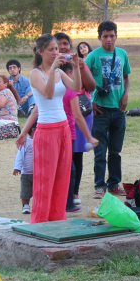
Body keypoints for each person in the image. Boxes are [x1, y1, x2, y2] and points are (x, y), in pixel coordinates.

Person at [16, 33, 82, 224]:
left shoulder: (60, 72)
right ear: (40, 52)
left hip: (63, 128)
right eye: (51, 49)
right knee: (45, 180)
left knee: (62, 178)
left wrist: (76, 68)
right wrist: (53, 69)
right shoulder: (35, 74)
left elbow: (76, 87)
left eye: (57, 49)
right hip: (46, 131)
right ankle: (39, 221)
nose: (56, 52)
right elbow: (47, 94)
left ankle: (56, 219)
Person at [86, 21, 130, 199]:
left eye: (112, 36)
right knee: (99, 149)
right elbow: (82, 79)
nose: (109, 40)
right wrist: (90, 102)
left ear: (116, 36)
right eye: (105, 36)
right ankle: (99, 185)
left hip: (118, 109)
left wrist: (126, 94)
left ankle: (113, 183)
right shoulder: (93, 56)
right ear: (99, 37)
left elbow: (126, 77)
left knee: (115, 150)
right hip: (100, 110)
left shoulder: (122, 54)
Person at [60, 62, 98, 212]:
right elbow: (77, 116)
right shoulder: (68, 92)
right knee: (69, 167)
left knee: (70, 164)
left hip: (65, 132)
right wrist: (89, 137)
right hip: (65, 132)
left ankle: (67, 199)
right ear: (68, 75)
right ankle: (67, 201)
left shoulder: (62, 91)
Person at [13, 121, 36, 214]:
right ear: (34, 130)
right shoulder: (25, 141)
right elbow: (20, 155)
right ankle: (25, 206)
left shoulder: (43, 141)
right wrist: (17, 167)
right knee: (25, 191)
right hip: (26, 172)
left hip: (39, 173)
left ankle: (37, 205)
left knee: (38, 191)